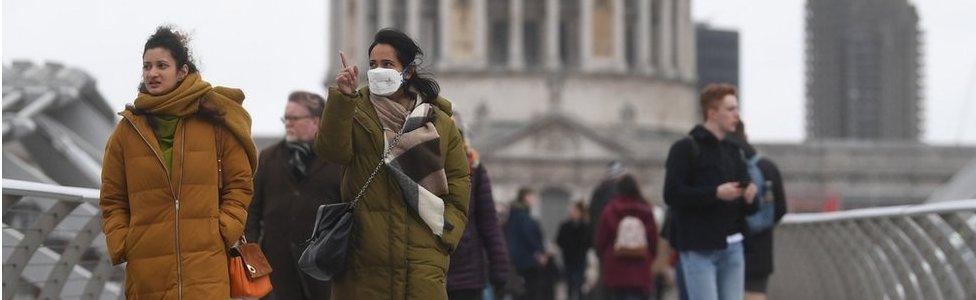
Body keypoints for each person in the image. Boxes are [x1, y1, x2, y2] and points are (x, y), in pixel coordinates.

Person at [99, 26, 257, 299]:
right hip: (147, 272)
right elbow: (112, 198)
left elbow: (240, 184)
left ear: (182, 71)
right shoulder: (127, 131)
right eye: (147, 66)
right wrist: (124, 242)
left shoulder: (213, 122)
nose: (152, 73)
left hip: (206, 268)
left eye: (162, 65)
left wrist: (222, 231)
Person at [315, 28, 471, 299]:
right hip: (363, 262)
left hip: (421, 262)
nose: (378, 71)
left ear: (408, 71)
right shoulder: (355, 111)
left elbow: (459, 183)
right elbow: (331, 152)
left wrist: (447, 232)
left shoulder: (440, 123)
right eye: (373, 65)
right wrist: (342, 99)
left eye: (388, 64)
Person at [663, 83, 758, 300]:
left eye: (737, 109)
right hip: (699, 247)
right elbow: (672, 194)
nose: (737, 115)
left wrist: (751, 196)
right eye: (731, 109)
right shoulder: (685, 148)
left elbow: (749, 208)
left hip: (733, 246)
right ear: (713, 113)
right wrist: (715, 193)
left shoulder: (735, 152)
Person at [244, 91, 342, 299]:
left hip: (322, 273)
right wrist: (253, 262)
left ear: (316, 121)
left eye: (294, 118)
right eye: (285, 118)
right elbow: (251, 213)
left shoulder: (337, 161)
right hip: (276, 272)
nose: (288, 123)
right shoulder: (269, 158)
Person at [446, 113, 510, 300]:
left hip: (466, 273)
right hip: (437, 269)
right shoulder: (422, 164)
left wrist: (500, 268)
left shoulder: (475, 170)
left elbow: (489, 223)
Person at [728, 121, 788, 300]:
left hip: (728, 245)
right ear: (745, 136)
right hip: (760, 248)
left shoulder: (722, 163)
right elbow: (781, 209)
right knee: (755, 294)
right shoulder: (767, 167)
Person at [596, 174, 658, 300]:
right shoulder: (646, 210)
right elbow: (653, 239)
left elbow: (601, 239)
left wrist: (604, 257)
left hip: (615, 268)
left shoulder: (610, 209)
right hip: (640, 267)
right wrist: (649, 256)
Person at [505, 188, 551, 300]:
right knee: (530, 291)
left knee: (518, 290)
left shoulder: (513, 214)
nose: (534, 200)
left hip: (515, 259)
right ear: (526, 197)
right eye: (532, 196)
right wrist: (540, 252)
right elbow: (530, 236)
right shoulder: (523, 216)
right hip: (526, 260)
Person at [556, 201, 592, 300]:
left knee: (579, 284)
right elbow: (559, 241)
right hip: (568, 259)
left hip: (580, 259)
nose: (571, 212)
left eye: (574, 210)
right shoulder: (564, 225)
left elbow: (590, 242)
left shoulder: (586, 226)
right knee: (569, 286)